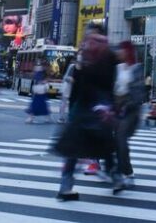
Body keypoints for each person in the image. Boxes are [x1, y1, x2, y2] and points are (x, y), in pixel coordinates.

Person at [55, 31, 119, 199]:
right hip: (91, 110)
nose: (92, 45)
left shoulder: (93, 60)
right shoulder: (95, 60)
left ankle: (66, 187)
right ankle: (114, 177)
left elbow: (103, 86)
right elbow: (103, 87)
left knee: (82, 149)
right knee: (96, 147)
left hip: (87, 110)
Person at [113, 40, 145, 187]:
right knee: (119, 141)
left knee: (121, 138)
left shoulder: (136, 68)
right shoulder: (117, 68)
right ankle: (126, 171)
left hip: (131, 110)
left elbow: (138, 94)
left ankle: (122, 172)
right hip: (117, 108)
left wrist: (126, 103)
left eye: (122, 50)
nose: (119, 52)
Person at [58, 55, 77, 124]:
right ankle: (61, 118)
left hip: (71, 87)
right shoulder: (72, 66)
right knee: (64, 103)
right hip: (68, 87)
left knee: (68, 103)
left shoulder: (73, 66)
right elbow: (67, 77)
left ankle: (66, 118)